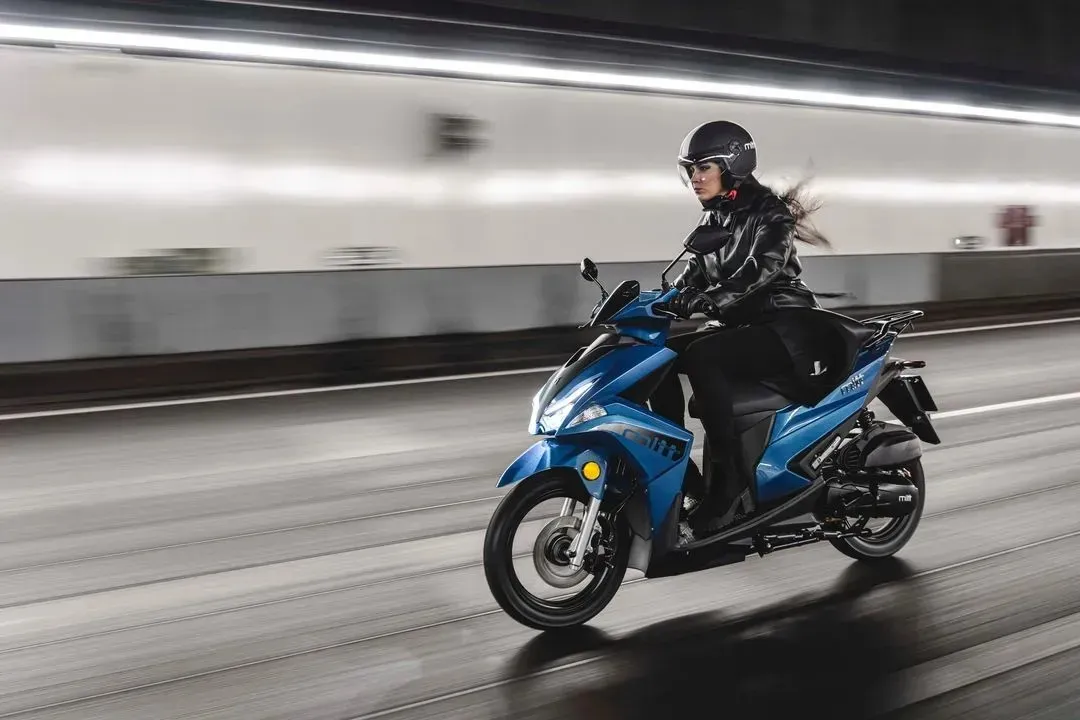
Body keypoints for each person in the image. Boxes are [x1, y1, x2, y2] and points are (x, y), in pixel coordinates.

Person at [649, 120, 832, 538]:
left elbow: (763, 267)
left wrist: (714, 299)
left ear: (732, 166)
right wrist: (653, 303)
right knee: (657, 357)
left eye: (703, 167)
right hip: (743, 325)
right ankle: (680, 472)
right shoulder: (715, 218)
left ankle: (729, 481)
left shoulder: (770, 212)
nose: (695, 178)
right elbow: (691, 276)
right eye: (689, 169)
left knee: (703, 356)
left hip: (785, 327)